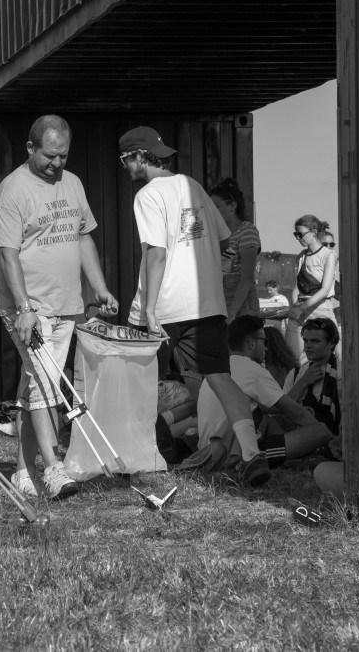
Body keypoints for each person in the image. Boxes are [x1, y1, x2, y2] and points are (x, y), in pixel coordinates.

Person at [118, 125, 270, 486]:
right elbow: (224, 241)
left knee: (140, 380)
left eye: (126, 160)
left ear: (140, 157)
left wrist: (150, 310)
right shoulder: (193, 186)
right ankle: (252, 453)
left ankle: (144, 457)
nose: (126, 167)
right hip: (206, 303)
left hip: (165, 305)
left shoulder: (148, 196)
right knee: (219, 376)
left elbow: (156, 252)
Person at [0, 114, 118, 500]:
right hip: (28, 308)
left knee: (37, 383)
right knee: (44, 383)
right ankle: (52, 468)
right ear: (30, 148)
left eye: (63, 156)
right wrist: (24, 307)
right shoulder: (12, 191)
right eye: (50, 156)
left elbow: (83, 239)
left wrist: (99, 289)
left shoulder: (73, 183)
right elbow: (7, 255)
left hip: (68, 304)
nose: (57, 164)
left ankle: (22, 471)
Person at [190, 316, 333, 474]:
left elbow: (266, 409)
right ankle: (256, 460)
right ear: (252, 343)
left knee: (263, 419)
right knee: (321, 431)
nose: (266, 349)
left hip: (209, 449)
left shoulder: (221, 369)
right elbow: (295, 412)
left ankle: (291, 457)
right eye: (265, 343)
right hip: (228, 455)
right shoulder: (252, 370)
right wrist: (324, 439)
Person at [284, 317, 342, 461]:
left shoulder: (344, 372)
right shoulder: (296, 374)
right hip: (301, 438)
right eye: (305, 340)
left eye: (315, 341)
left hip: (336, 439)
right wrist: (303, 382)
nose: (308, 346)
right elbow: (282, 410)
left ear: (331, 343)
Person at [286, 215, 339, 362]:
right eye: (295, 234)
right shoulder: (301, 256)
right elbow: (296, 288)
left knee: (334, 357)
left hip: (321, 310)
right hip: (300, 311)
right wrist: (295, 306)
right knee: (292, 359)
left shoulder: (328, 255)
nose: (298, 238)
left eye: (300, 234)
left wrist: (300, 308)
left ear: (313, 231)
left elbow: (325, 290)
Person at [210, 178, 261, 320]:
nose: (212, 212)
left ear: (232, 206)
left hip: (241, 309)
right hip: (219, 306)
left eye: (216, 207)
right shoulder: (213, 234)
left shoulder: (247, 231)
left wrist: (232, 314)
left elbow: (247, 277)